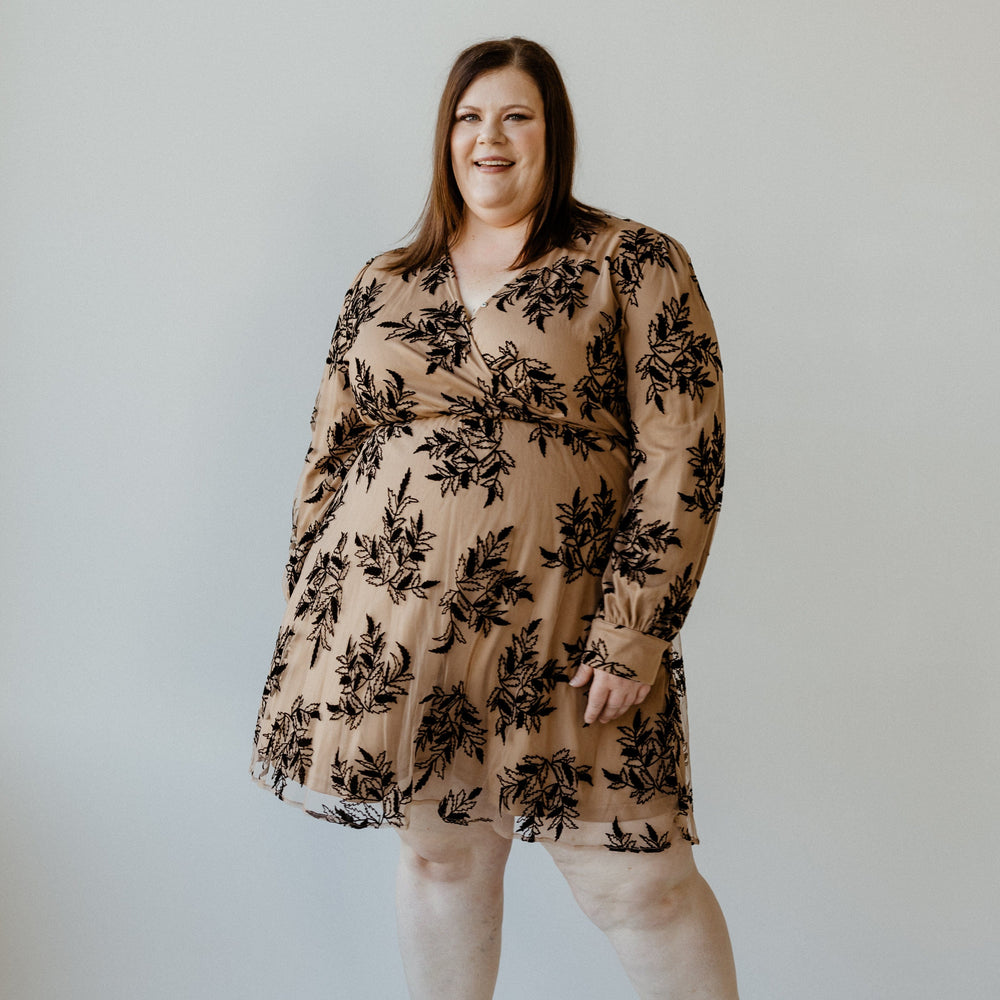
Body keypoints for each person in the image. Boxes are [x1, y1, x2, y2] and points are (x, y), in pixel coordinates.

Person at [251, 36, 739, 1000]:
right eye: (470, 118)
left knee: (637, 883)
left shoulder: (629, 261)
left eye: (517, 116)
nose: (491, 139)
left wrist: (634, 632)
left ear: (553, 135)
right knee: (440, 862)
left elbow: (685, 452)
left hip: (569, 632)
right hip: (399, 632)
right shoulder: (388, 277)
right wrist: (309, 604)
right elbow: (330, 449)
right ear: (445, 137)